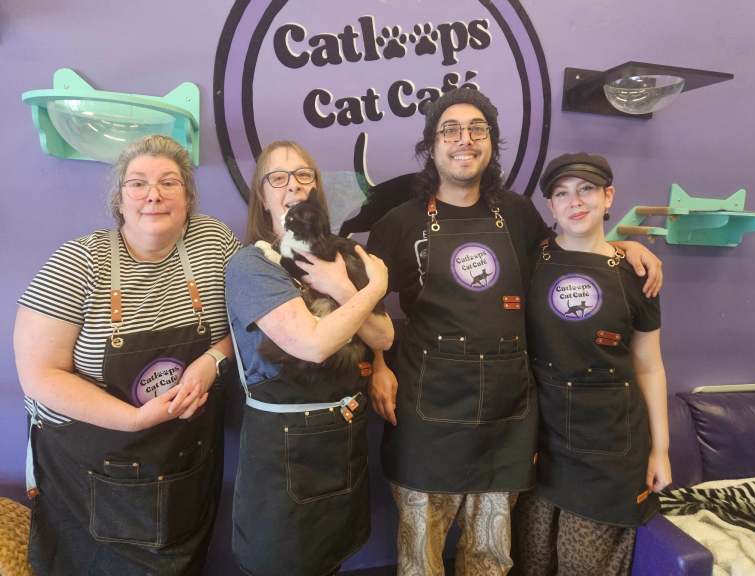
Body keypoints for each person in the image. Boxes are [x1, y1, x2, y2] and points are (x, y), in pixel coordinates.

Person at [365, 88, 663, 576]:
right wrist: (377, 366)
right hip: (427, 417)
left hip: (505, 422)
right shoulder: (398, 225)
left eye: (477, 129)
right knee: (420, 560)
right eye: (450, 130)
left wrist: (624, 246)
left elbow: (573, 245)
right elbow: (367, 308)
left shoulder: (519, 214)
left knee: (491, 560)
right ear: (432, 146)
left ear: (491, 144)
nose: (464, 140)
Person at [13, 134, 240, 575]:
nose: (153, 194)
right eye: (137, 183)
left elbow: (252, 323)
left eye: (169, 183)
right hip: (92, 476)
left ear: (188, 197)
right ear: (119, 200)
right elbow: (39, 375)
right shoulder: (78, 263)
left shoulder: (214, 243)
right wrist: (134, 419)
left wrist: (210, 362)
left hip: (184, 466)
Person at [225, 140, 394, 576]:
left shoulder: (341, 255)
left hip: (342, 438)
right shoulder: (251, 266)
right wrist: (372, 289)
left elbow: (384, 335)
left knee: (330, 559)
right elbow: (313, 345)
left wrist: (340, 286)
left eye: (303, 175)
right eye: (277, 178)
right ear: (262, 198)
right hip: (284, 449)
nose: (293, 185)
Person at [514, 153, 671, 576]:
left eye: (586, 189)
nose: (575, 202)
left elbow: (650, 367)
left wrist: (661, 450)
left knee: (585, 567)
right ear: (550, 206)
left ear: (608, 196)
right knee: (532, 562)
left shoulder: (639, 275)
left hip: (610, 453)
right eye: (561, 193)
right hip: (540, 448)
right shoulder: (529, 263)